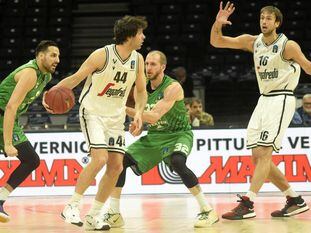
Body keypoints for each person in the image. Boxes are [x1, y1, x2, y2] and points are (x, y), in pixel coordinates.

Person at [210, 2, 311, 220]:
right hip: (263, 100)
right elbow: (216, 41)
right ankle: (294, 199)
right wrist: (217, 24)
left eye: (268, 18)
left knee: (265, 153)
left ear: (277, 23)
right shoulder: (253, 41)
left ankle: (248, 204)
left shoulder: (288, 45)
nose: (264, 21)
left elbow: (308, 67)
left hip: (282, 98)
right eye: (261, 18)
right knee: (257, 158)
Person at [52, 16, 148, 230]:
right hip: (93, 112)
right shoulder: (101, 55)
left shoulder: (138, 59)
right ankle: (71, 206)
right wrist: (50, 93)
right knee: (100, 158)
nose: (143, 37)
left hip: (116, 118)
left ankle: (93, 216)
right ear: (130, 34)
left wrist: (139, 113)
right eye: (141, 32)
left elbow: (140, 91)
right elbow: (75, 79)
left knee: (116, 167)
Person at [103, 50, 219, 228]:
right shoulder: (140, 89)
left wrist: (122, 108)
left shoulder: (173, 87)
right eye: (146, 64)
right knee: (120, 163)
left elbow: (155, 116)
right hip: (155, 136)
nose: (148, 68)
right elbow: (143, 120)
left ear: (162, 67)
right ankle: (114, 213)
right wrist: (137, 126)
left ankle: (207, 210)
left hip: (178, 134)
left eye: (153, 64)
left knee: (178, 162)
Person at [0, 40, 60, 222]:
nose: (57, 59)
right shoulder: (30, 73)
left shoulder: (46, 76)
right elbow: (11, 106)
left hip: (9, 118)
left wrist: (43, 99)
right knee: (31, 159)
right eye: (53, 55)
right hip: (3, 114)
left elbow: (29, 93)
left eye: (58, 56)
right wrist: (8, 143)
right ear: (40, 56)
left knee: (31, 160)